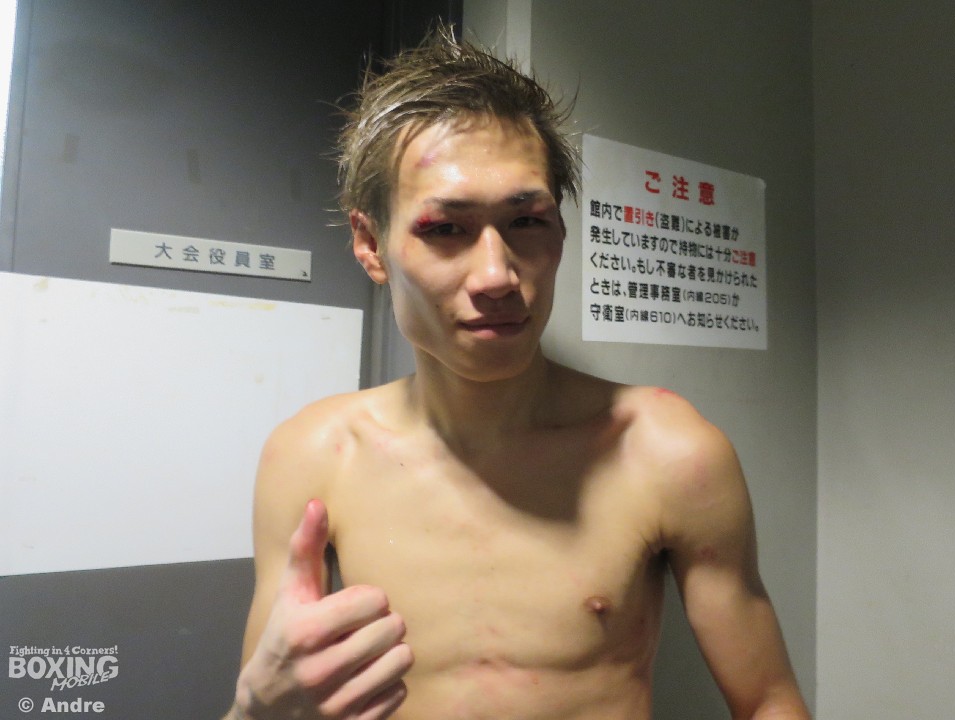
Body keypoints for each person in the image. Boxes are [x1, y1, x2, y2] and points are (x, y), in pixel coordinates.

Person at [224, 25, 811, 720]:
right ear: (370, 244)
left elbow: (769, 701)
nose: (497, 275)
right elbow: (272, 701)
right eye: (445, 229)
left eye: (527, 221)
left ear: (560, 232)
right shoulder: (312, 457)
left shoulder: (667, 451)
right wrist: (253, 712)